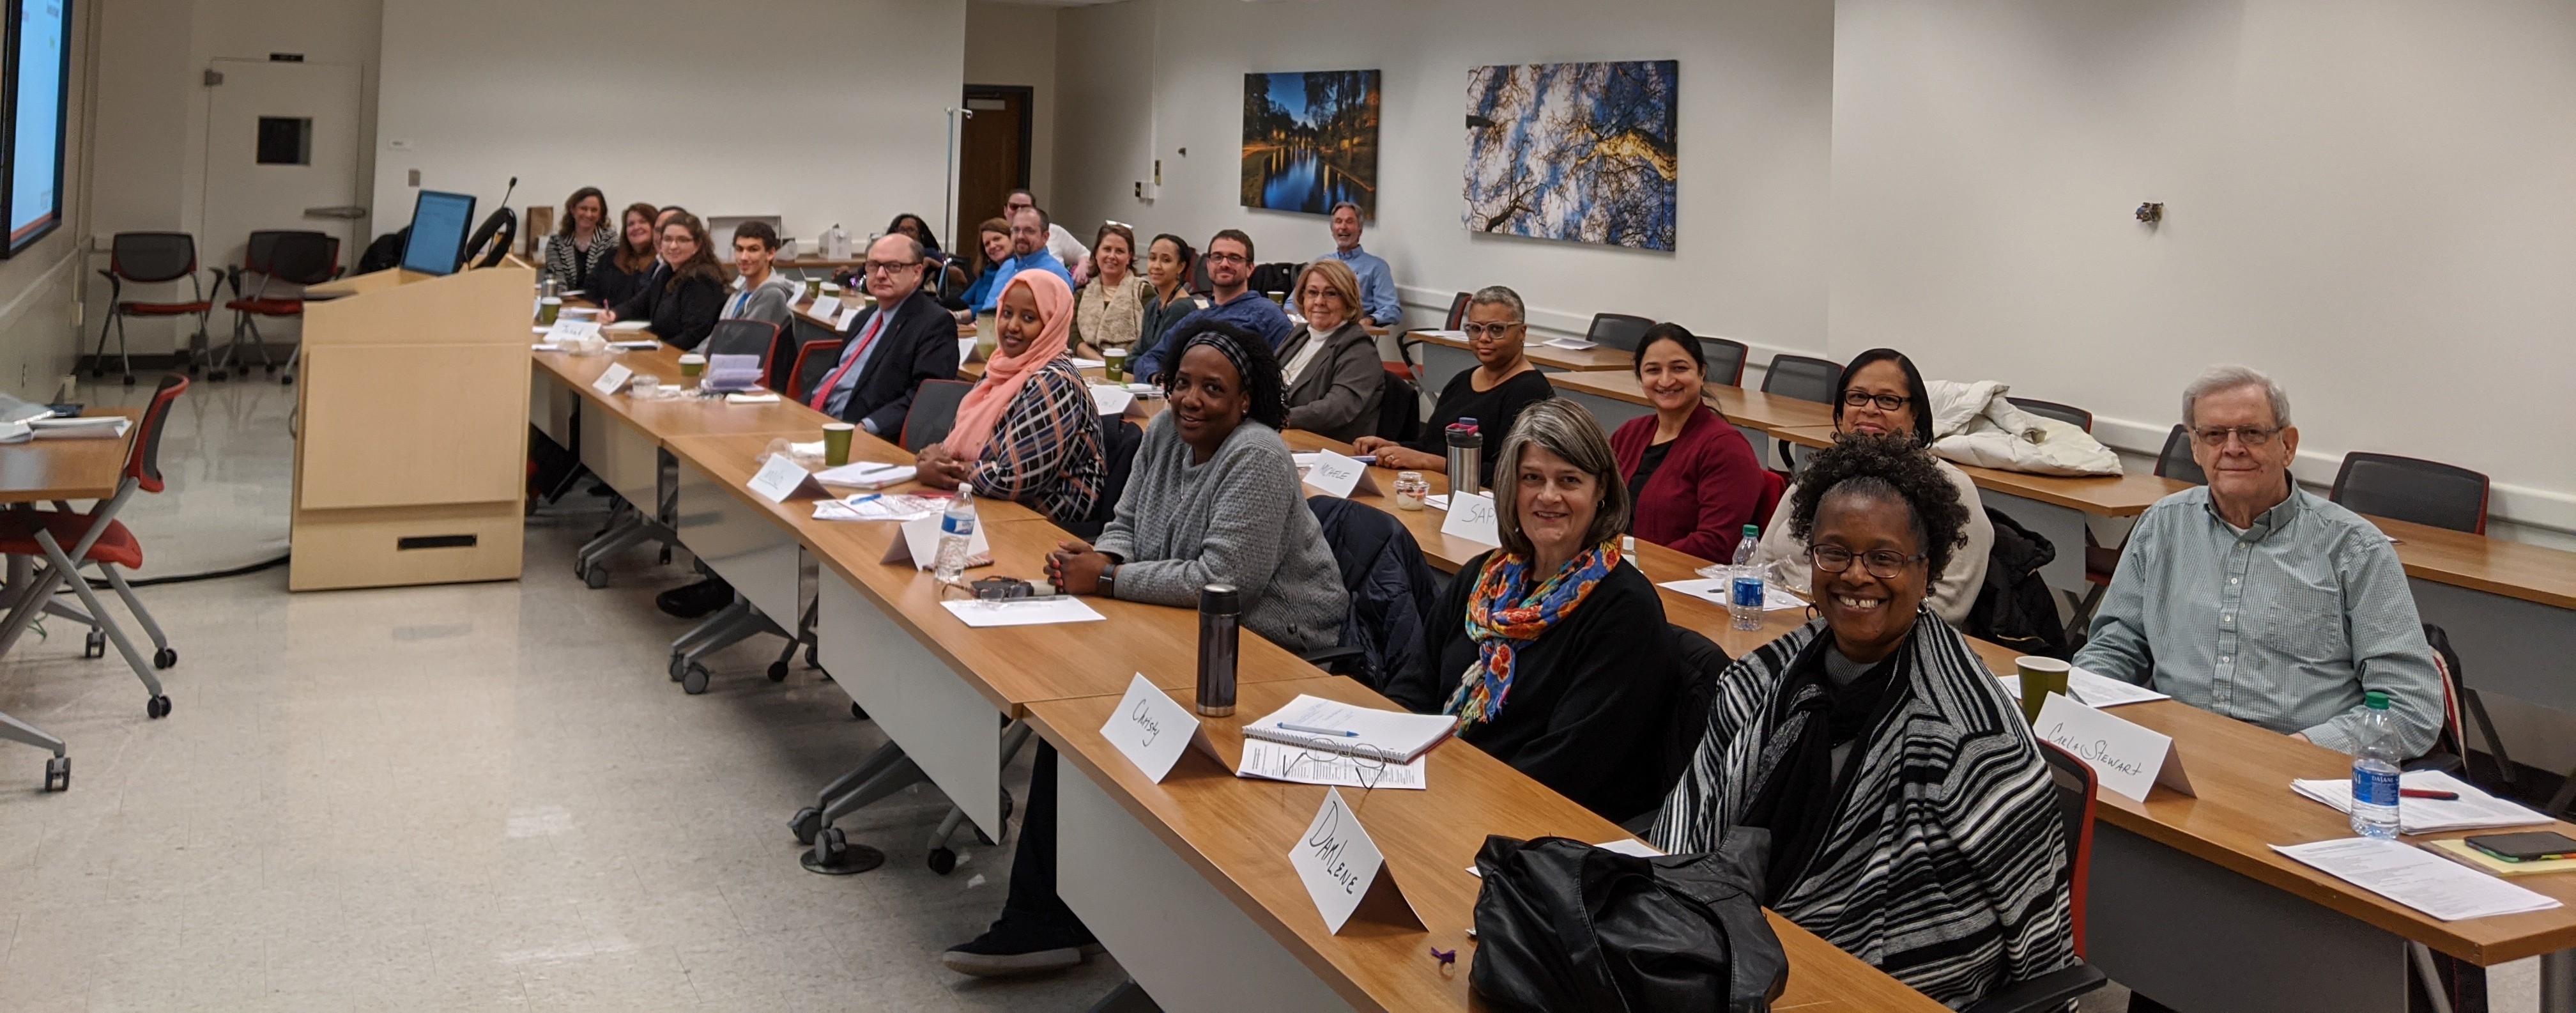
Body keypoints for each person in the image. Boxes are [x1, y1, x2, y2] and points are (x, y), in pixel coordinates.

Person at [944, 319, 1346, 979]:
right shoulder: (1162, 432)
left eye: (1213, 389)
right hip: (1179, 626)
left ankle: (1054, 915)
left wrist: (1106, 577)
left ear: (1246, 400)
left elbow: (1225, 582)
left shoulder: (1259, 455)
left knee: (1092, 713)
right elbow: (1127, 522)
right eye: (1182, 382)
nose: (1190, 399)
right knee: (1071, 708)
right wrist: (1104, 554)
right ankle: (1059, 909)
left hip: (1275, 646)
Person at [1652, 431, 2076, 1010]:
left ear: (1927, 572)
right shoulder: (1761, 678)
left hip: (1891, 984)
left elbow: (2037, 923)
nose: (1856, 576)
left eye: (1884, 558)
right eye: (1834, 553)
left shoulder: (1971, 732)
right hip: (1734, 947)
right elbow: (1691, 824)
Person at [2074, 365, 2442, 756]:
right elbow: (2115, 647)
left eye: (2252, 433)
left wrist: (2298, 751)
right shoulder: (2162, 526)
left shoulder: (2355, 549)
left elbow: (2410, 706)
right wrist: (2079, 709)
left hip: (2298, 767)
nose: (2232, 448)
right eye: (2214, 435)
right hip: (2175, 752)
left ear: (2288, 444)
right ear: (2196, 448)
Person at [1385, 399, 1673, 821]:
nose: (1548, 496)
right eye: (1532, 478)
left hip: (1532, 823)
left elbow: (1566, 767)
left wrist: (1443, 793)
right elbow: (1412, 687)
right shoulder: (1484, 578)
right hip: (1438, 794)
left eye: (1569, 480)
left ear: (1602, 490)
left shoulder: (1624, 610)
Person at [1752, 349, 1992, 624]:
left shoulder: (1951, 487)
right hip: (1785, 627)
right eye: (1857, 397)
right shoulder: (1818, 475)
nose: (1869, 409)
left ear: (1915, 413)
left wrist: (1827, 619)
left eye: (1888, 400)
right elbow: (1761, 562)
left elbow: (1947, 607)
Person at [914, 270, 1105, 528]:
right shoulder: (1001, 367)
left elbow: (1011, 479)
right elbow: (958, 440)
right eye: (1006, 313)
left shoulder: (1054, 381)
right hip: (985, 503)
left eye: (1028, 318)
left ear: (1052, 324)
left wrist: (945, 470)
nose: (1012, 326)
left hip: (1039, 525)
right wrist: (937, 460)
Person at [1352, 286, 1552, 488]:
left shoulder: (1530, 392)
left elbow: (1507, 474)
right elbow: (1432, 445)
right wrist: (1394, 448)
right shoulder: (1462, 380)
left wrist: (1426, 461)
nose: (1484, 338)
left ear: (1522, 333)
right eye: (1475, 329)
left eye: (1496, 329)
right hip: (1438, 489)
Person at [1611, 323, 1770, 559]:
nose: (1666, 381)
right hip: (1619, 568)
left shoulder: (1726, 448)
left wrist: (1641, 564)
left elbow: (1717, 543)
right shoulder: (1628, 434)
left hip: (1677, 580)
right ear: (1640, 377)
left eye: (1679, 368)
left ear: (1701, 372)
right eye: (1653, 370)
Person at [809, 233, 962, 437]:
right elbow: (836, 375)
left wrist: (868, 426)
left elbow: (925, 398)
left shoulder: (934, 324)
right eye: (873, 266)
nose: (880, 274)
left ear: (917, 273)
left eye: (893, 267)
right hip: (818, 418)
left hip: (861, 433)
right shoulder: (864, 317)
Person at [1128, 230, 1291, 382]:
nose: (1224, 264)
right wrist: (1160, 380)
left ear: (1250, 268)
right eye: (1217, 257)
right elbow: (1147, 360)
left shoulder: (1267, 314)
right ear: (1208, 265)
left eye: (1234, 258)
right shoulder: (1196, 319)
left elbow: (1292, 369)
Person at [1276, 258, 1386, 443]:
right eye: (1312, 293)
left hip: (1325, 448)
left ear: (1348, 300)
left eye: (1331, 294)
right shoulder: (1300, 334)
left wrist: (1279, 418)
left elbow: (1336, 408)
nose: (1319, 301)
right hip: (1281, 436)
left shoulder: (1359, 349)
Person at [601, 212, 724, 352]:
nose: (673, 246)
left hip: (683, 357)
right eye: (667, 239)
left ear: (698, 245)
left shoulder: (701, 279)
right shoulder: (666, 272)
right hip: (664, 350)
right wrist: (614, 314)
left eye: (682, 240)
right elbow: (638, 305)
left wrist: (657, 350)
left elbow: (694, 335)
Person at [970, 207, 1073, 317]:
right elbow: (987, 311)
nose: (1020, 236)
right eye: (1016, 230)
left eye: (1029, 231)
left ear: (1045, 237)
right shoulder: (1007, 267)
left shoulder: (1054, 274)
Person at [1070, 222, 1151, 359]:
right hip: (1088, 367)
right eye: (1107, 249)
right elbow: (1074, 339)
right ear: (1096, 253)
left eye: (1119, 251)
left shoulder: (1144, 292)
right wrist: (1102, 364)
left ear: (1129, 257)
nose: (1112, 256)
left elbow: (1151, 341)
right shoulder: (1080, 295)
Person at [1320, 201, 1400, 327]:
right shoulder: (1321, 263)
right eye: (1338, 222)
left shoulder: (1377, 267)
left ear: (1360, 231)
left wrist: (1369, 320)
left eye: (1349, 222)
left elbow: (1392, 309)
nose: (1343, 227)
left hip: (1351, 332)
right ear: (1332, 230)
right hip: (1318, 329)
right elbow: (1293, 302)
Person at [1137, 234, 1206, 362]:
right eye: (1152, 258)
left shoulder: (1182, 308)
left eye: (1166, 260)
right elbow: (1139, 351)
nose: (1156, 266)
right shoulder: (1153, 305)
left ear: (1181, 267)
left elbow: (1160, 358)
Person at [719, 220, 797, 328]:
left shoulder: (773, 295)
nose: (744, 257)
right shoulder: (739, 293)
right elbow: (719, 334)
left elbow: (740, 339)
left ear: (770, 254)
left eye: (753, 250)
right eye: (739, 249)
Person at [1004, 188, 1091, 280]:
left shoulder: (1054, 232)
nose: (1019, 211)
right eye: (1014, 206)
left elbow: (1085, 254)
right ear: (1005, 210)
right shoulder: (997, 241)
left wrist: (1082, 267)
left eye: (1029, 231)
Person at [585, 203, 659, 309]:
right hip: (607, 319)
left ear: (655, 227)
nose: (636, 227)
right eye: (631, 224)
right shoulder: (611, 257)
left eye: (643, 222)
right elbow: (590, 290)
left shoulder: (661, 262)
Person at [542, 187, 614, 295]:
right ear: (573, 210)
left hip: (599, 303)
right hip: (565, 303)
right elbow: (558, 281)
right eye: (584, 209)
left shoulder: (610, 241)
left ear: (600, 215)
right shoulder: (556, 243)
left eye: (594, 210)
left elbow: (609, 282)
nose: (588, 214)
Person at [885, 211, 967, 298]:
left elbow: (962, 279)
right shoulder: (886, 253)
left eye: (911, 230)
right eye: (902, 230)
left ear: (920, 236)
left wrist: (933, 263)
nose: (905, 234)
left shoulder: (928, 253)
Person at [954, 217, 1012, 313]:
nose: (992, 246)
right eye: (987, 244)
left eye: (997, 239)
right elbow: (963, 302)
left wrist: (961, 314)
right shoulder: (988, 271)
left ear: (1012, 238)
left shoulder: (1018, 270)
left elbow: (995, 308)